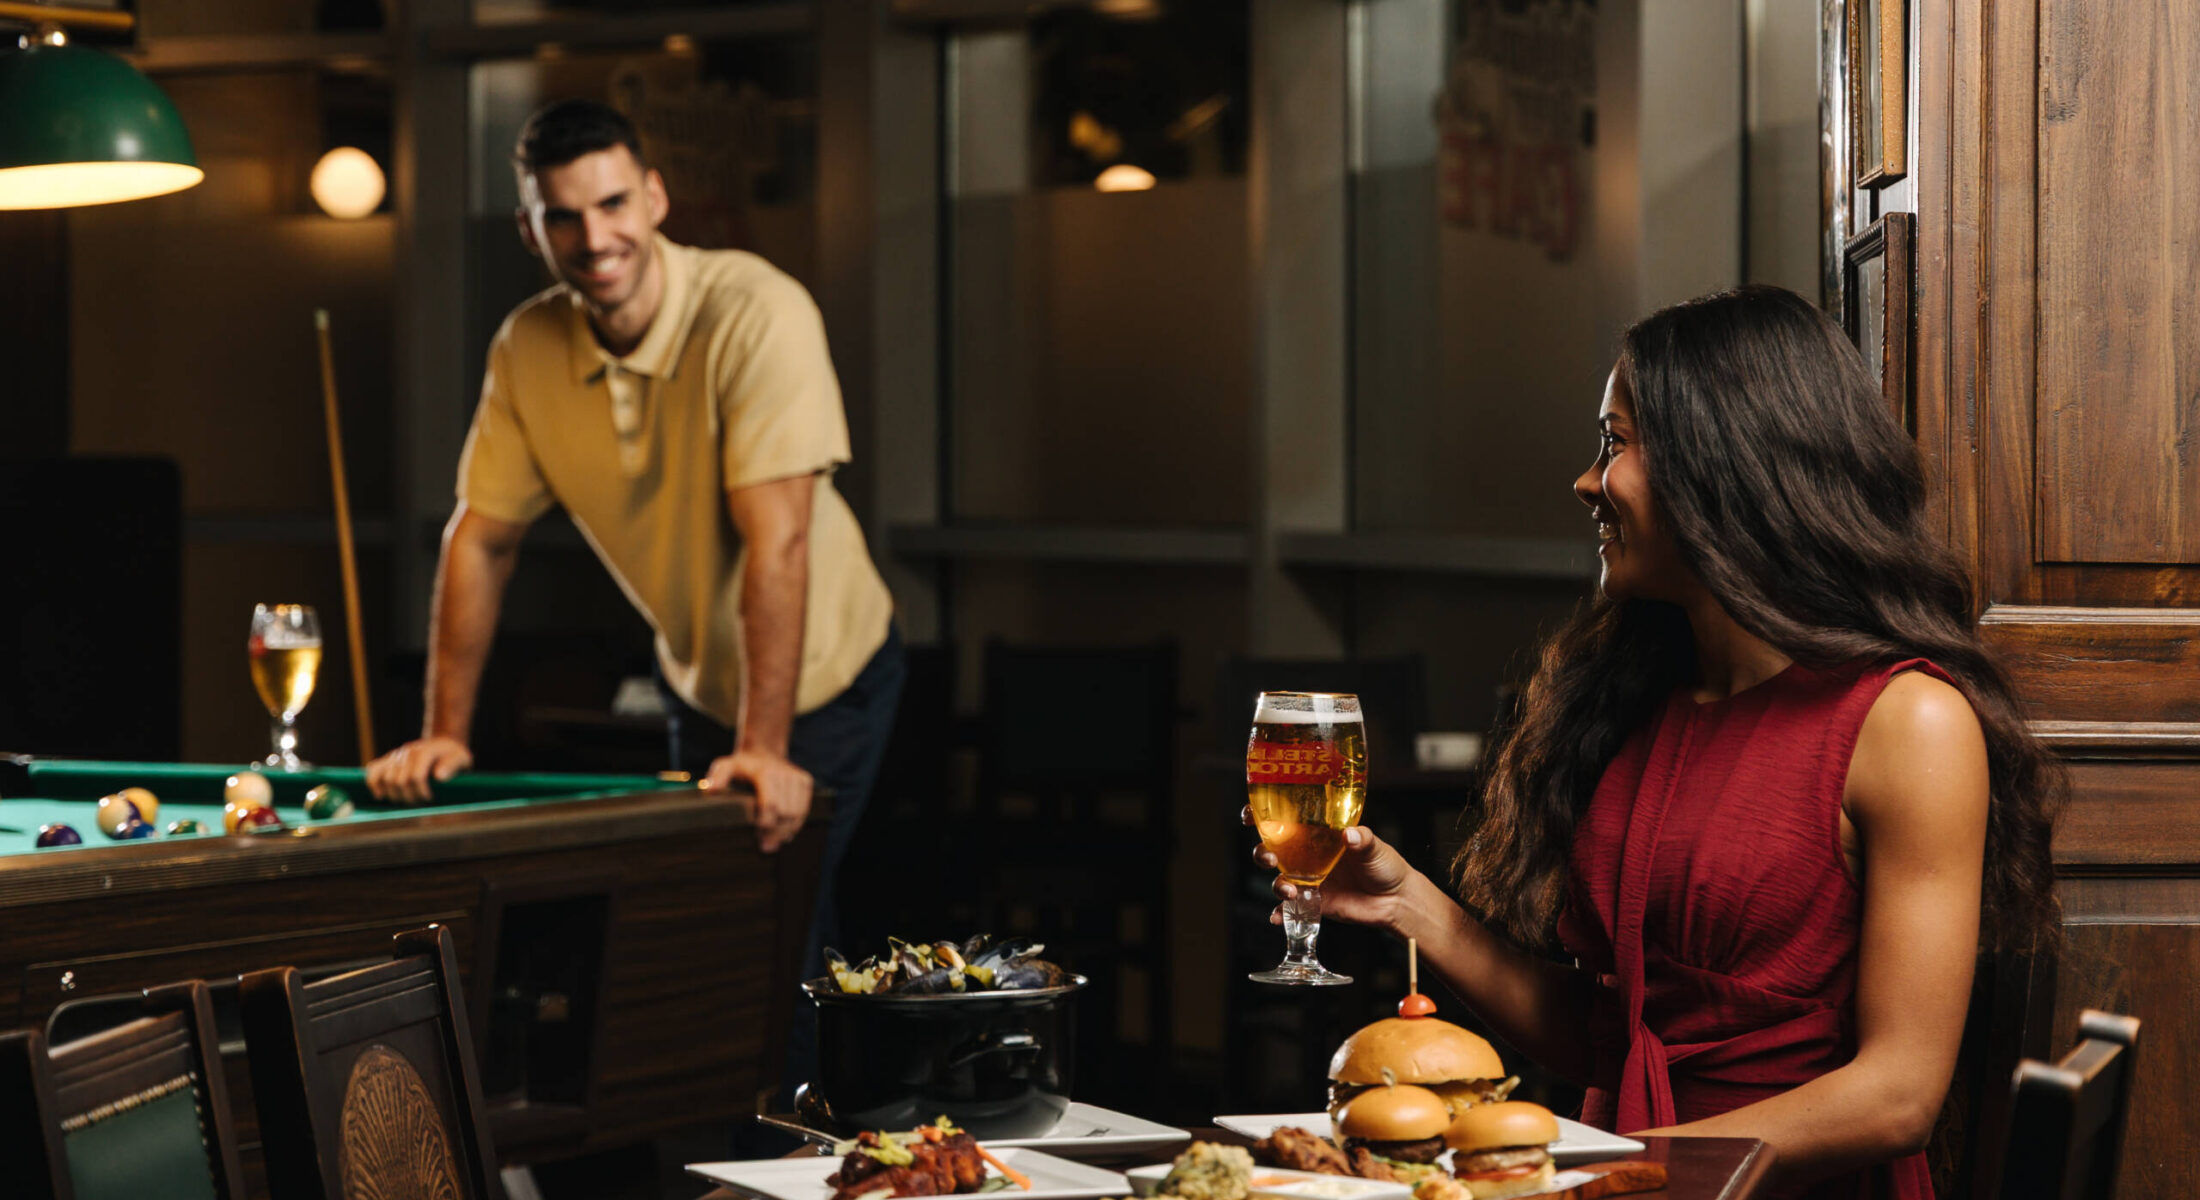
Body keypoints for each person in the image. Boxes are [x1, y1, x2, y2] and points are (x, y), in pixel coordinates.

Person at [1251, 286, 2060, 1198]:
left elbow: (1897, 1096)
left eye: (1615, 442)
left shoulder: (1906, 719)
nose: (1588, 481)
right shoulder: (1649, 698)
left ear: (1722, 463)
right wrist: (1409, 905)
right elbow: (1610, 1033)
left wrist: (1609, 1170)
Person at [364, 100, 902, 1056]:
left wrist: (768, 748)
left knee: (771, 936)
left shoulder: (756, 310)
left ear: (654, 198)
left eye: (612, 203)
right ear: (532, 229)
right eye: (562, 216)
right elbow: (479, 541)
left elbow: (777, 542)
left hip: (826, 680)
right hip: (697, 686)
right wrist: (443, 733)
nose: (593, 236)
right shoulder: (527, 348)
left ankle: (805, 1167)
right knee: (730, 947)